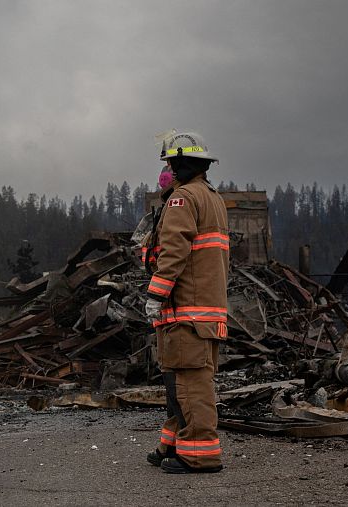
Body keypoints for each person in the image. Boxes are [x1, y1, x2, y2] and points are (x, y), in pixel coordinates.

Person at [142, 131, 229, 474]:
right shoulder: (212, 198)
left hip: (187, 313)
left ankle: (199, 455)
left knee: (191, 385)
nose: (168, 172)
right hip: (205, 311)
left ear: (180, 165)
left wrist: (155, 294)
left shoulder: (182, 200)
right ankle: (173, 446)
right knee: (182, 383)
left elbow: (174, 252)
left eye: (170, 165)